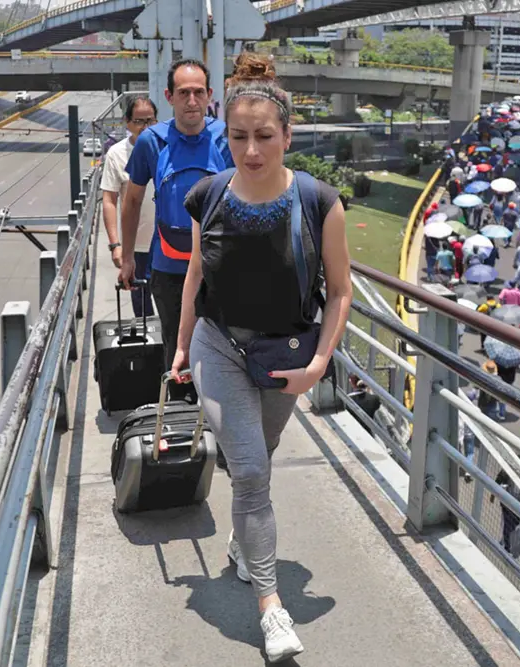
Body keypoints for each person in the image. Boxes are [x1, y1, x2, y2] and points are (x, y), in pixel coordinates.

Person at [170, 54, 353, 662]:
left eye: (265, 137)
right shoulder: (208, 197)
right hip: (218, 346)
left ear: (287, 137)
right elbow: (196, 273)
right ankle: (272, 607)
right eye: (240, 137)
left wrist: (322, 362)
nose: (252, 151)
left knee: (260, 460)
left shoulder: (319, 201)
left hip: (287, 356)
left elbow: (341, 289)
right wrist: (179, 345)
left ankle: (242, 546)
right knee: (249, 470)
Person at [121, 59, 233, 400]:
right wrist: (127, 257)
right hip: (168, 266)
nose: (192, 101)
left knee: (221, 342)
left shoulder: (227, 137)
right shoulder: (151, 141)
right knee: (175, 341)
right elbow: (132, 201)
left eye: (199, 92)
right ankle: (181, 415)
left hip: (219, 266)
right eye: (183, 93)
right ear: (169, 96)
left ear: (210, 95)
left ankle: (217, 414)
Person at [102, 94, 159, 317]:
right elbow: (109, 200)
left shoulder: (166, 148)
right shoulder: (116, 155)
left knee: (174, 308)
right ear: (128, 123)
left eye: (150, 121)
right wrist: (116, 245)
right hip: (136, 249)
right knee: (143, 312)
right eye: (139, 121)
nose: (145, 127)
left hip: (166, 245)